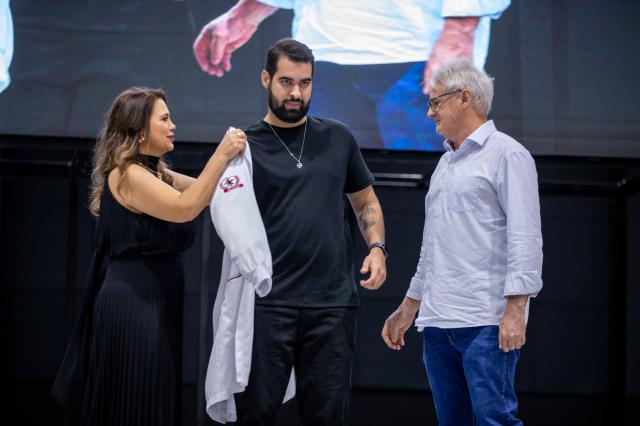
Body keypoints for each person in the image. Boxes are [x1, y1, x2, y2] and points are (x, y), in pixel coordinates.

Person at [51, 87, 246, 425]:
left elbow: (209, 191)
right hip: (134, 302)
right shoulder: (128, 174)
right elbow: (186, 207)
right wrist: (221, 154)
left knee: (153, 395)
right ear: (140, 130)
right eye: (165, 119)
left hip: (156, 299)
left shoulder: (157, 173)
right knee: (136, 397)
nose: (173, 126)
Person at [233, 38, 387, 426]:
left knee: (327, 417)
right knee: (255, 414)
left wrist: (377, 248)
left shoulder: (338, 138)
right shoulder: (245, 146)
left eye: (305, 83)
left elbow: (365, 201)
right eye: (286, 82)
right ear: (266, 79)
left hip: (331, 304)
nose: (296, 93)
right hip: (267, 303)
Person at [381, 59, 543, 425]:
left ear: (464, 97)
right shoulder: (445, 164)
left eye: (435, 102)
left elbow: (525, 237)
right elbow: (432, 247)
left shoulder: (508, 154)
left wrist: (515, 310)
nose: (429, 113)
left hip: (486, 321)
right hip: (438, 322)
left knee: (494, 421)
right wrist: (408, 308)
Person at [193, 0, 510, 150]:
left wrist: (460, 27)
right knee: (329, 188)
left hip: (417, 50)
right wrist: (245, 14)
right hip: (324, 50)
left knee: (437, 184)